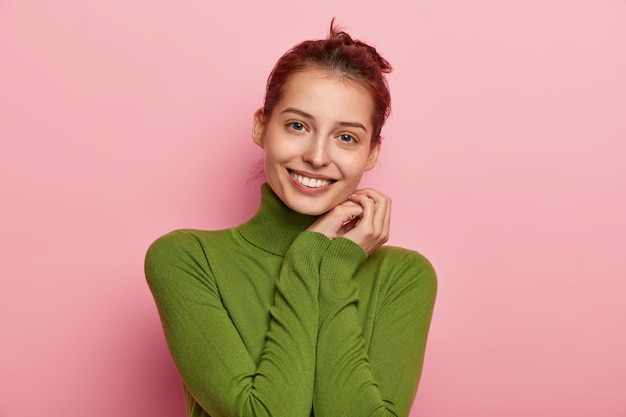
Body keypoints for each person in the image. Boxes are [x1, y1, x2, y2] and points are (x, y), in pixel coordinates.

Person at [145, 19, 437, 417]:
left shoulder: (404, 276)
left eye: (346, 137)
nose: (317, 156)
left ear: (371, 152)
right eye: (298, 126)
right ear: (262, 126)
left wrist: (332, 270)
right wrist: (307, 259)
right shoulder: (186, 259)